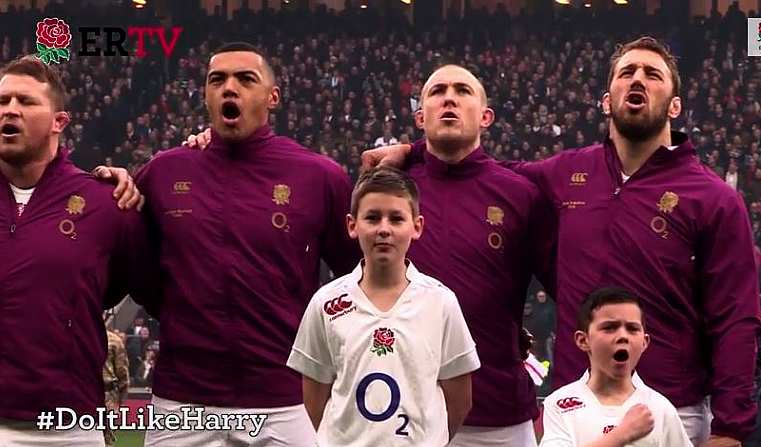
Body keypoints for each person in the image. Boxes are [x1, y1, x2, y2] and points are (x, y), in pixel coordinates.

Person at [363, 37, 760, 446]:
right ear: (607, 101)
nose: (637, 80)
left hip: (670, 408)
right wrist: (413, 150)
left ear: (674, 107)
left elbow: (736, 318)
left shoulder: (714, 198)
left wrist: (730, 428)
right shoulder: (567, 173)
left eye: (652, 75)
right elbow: (481, 171)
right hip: (576, 407)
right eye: (627, 73)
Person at [187, 63, 552, 446]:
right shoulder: (388, 191)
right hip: (393, 419)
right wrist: (209, 144)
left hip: (498, 416)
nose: (449, 97)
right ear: (419, 116)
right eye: (437, 90)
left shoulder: (520, 194)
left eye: (462, 91)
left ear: (486, 116)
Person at [133, 42, 360, 446]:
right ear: (205, 95)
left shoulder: (319, 177)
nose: (229, 88)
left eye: (244, 78)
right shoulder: (163, 173)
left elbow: (356, 278)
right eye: (217, 80)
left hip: (285, 401)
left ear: (272, 97)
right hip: (183, 402)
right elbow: (136, 268)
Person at [0, 55, 153, 446]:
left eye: (26, 101)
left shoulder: (104, 203)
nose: (10, 110)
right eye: (2, 102)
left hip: (67, 429)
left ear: (59, 121)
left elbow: (116, 287)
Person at [287, 166, 480, 445]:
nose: (384, 229)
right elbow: (314, 400)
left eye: (396, 218)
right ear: (352, 226)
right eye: (373, 218)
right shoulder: (326, 303)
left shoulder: (441, 302)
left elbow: (460, 400)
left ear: (417, 226)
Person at [540, 287, 692, 446]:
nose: (622, 336)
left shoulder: (660, 409)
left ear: (644, 342)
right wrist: (622, 434)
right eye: (609, 328)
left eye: (632, 329)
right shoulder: (559, 403)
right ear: (583, 340)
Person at [103, 320, 130, 447]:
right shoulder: (114, 340)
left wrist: (119, 402)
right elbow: (123, 376)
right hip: (106, 394)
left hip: (106, 394)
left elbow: (123, 374)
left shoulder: (114, 340)